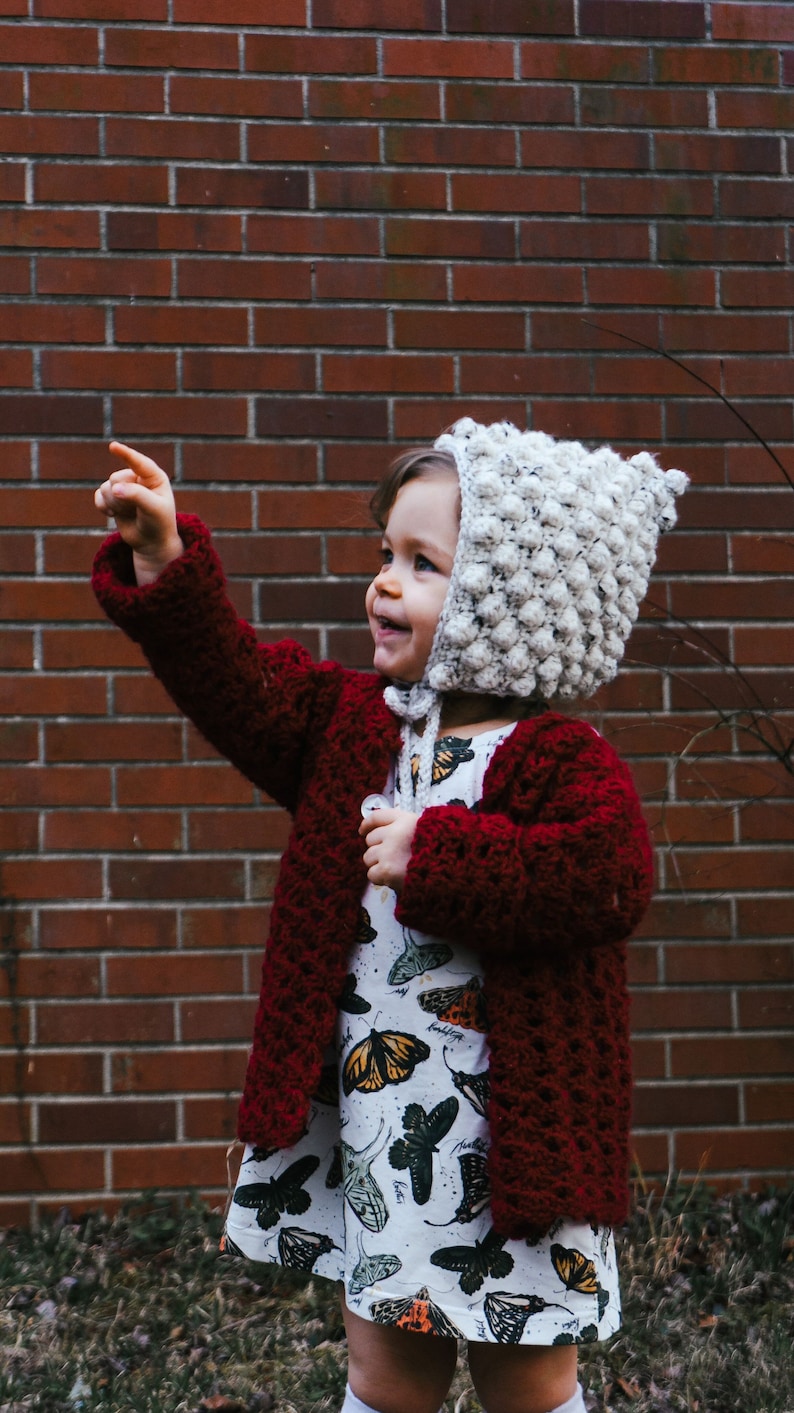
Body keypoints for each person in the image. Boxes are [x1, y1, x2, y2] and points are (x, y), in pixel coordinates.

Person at [92, 418, 687, 1413]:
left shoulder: (553, 761)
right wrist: (165, 562)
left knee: (526, 1376)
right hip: (381, 1135)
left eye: (422, 563)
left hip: (512, 1152)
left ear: (510, 602)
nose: (382, 581)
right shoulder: (352, 723)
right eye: (384, 555)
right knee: (384, 1368)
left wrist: (435, 855)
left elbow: (605, 879)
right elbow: (238, 685)